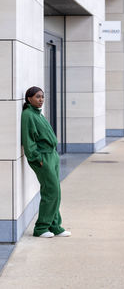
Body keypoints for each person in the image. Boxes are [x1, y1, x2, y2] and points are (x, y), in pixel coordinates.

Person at [21, 86, 71, 238]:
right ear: (29, 99)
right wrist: (38, 159)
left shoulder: (38, 114)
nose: (41, 99)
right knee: (51, 191)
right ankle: (41, 228)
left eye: (42, 97)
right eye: (37, 97)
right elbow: (28, 140)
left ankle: (55, 226)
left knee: (55, 191)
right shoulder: (28, 115)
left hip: (52, 155)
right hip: (43, 157)